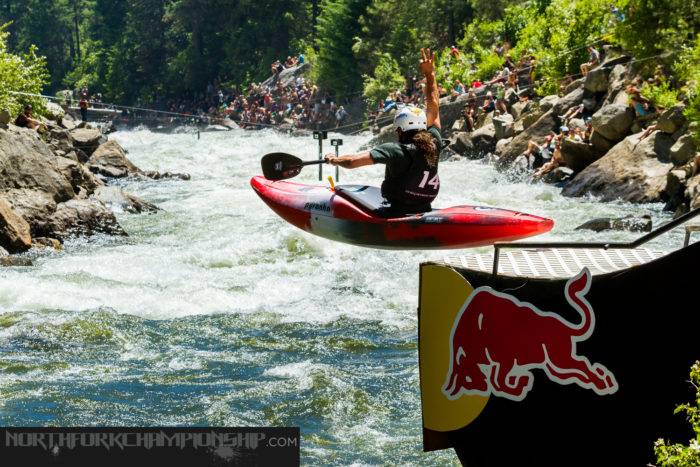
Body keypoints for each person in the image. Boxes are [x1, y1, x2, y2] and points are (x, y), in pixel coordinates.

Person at [325, 48, 444, 214]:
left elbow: (352, 162)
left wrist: (334, 160)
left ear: (400, 130)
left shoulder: (395, 150)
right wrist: (430, 75)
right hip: (424, 204)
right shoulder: (434, 141)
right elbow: (434, 105)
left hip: (398, 208)